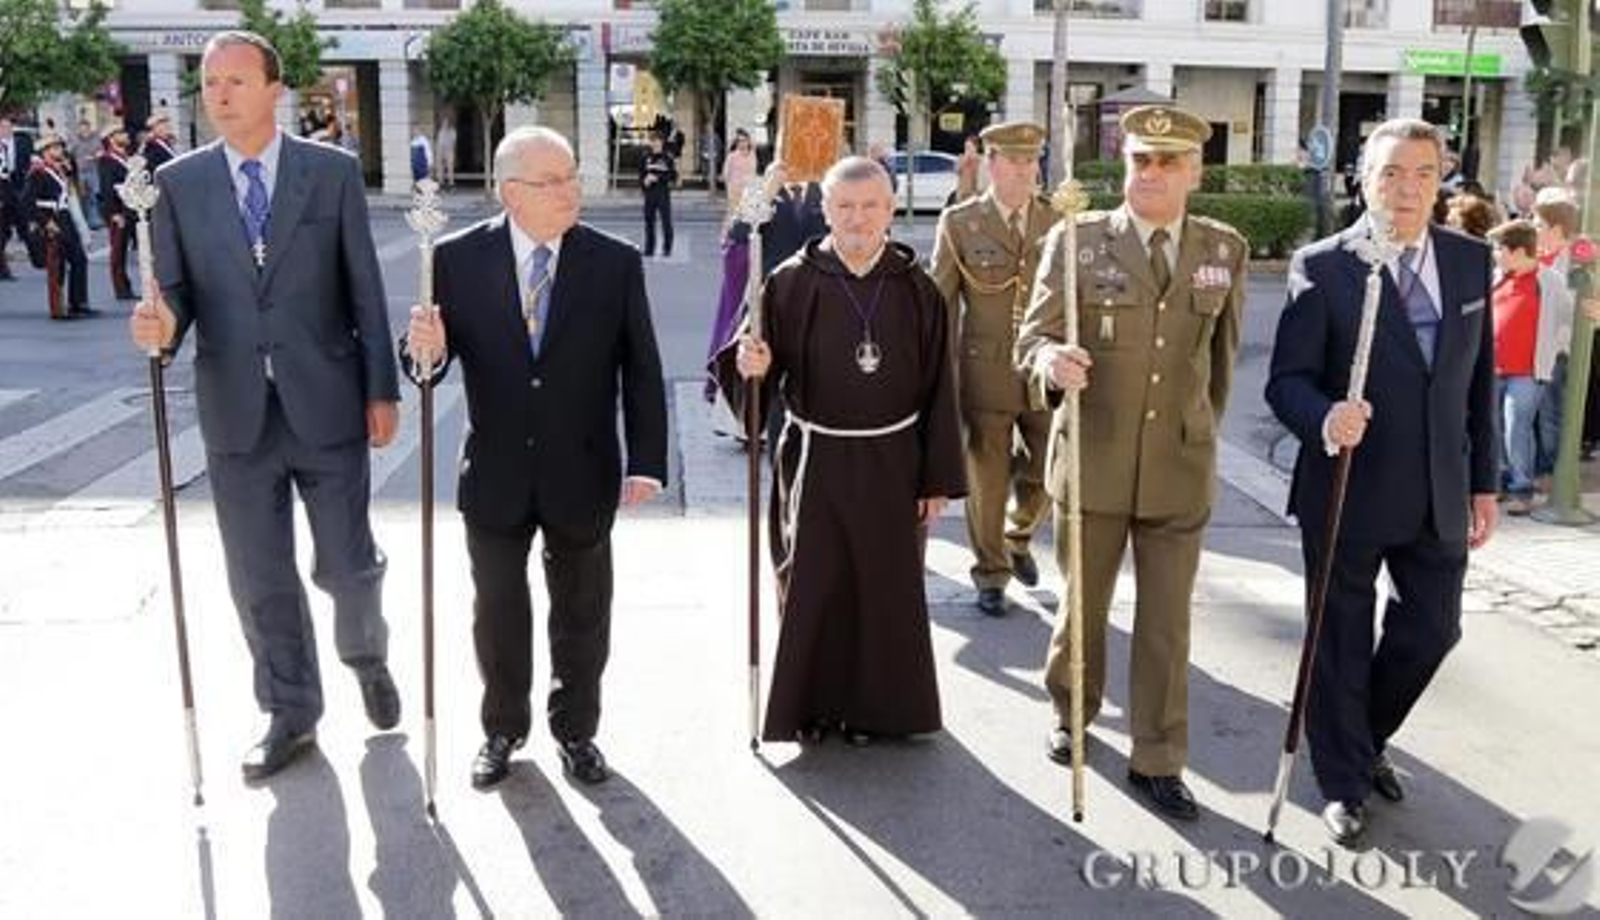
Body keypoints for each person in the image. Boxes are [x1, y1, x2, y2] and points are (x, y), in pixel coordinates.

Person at [128, 31, 402, 782]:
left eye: (235, 81)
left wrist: (383, 388)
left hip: (327, 400)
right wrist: (162, 322)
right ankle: (290, 710)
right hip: (235, 410)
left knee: (348, 565)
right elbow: (177, 291)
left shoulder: (332, 173)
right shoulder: (178, 185)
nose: (219, 94)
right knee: (258, 574)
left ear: (275, 89)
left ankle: (366, 654)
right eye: (209, 83)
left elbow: (363, 289)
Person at [403, 125, 668, 790]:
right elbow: (425, 368)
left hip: (583, 468)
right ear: (509, 191)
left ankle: (577, 730)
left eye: (573, 175)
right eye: (552, 181)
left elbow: (641, 369)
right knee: (498, 612)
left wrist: (647, 461)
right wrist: (425, 352)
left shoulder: (613, 261)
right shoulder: (457, 259)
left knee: (582, 611)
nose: (570, 191)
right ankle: (502, 729)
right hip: (494, 471)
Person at [1266, 118, 1497, 845]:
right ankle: (1341, 781)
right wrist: (1326, 416)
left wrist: (1484, 482)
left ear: (1441, 180)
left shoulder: (1468, 260)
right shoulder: (1325, 265)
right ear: (1362, 179)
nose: (1406, 188)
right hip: (1349, 487)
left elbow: (1478, 380)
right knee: (1337, 639)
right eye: (1391, 172)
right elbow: (1286, 382)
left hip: (1439, 487)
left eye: (1422, 173)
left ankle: (1360, 740)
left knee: (1434, 629)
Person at [1016, 105, 1247, 822]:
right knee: (1082, 609)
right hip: (1093, 458)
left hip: (1178, 466)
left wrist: (1195, 431)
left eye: (1167, 161)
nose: (1151, 173)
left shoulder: (1223, 249)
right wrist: (1052, 362)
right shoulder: (1077, 240)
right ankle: (1071, 712)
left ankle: (1158, 756)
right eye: (1140, 159)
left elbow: (1221, 366)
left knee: (1166, 623)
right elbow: (1032, 342)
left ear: (1195, 171)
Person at [719, 156, 966, 745]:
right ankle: (815, 708)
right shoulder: (788, 280)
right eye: (845, 207)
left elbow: (941, 388)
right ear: (825, 210)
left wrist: (936, 479)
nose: (858, 219)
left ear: (890, 209)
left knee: (886, 590)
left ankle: (881, 712)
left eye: (871, 206)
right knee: (814, 583)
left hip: (894, 464)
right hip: (816, 458)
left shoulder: (918, 289)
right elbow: (746, 363)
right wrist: (750, 364)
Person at [929, 121, 1055, 616]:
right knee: (988, 476)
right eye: (1014, 160)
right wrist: (939, 377)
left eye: (1032, 160)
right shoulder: (962, 223)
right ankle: (991, 573)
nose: (1025, 170)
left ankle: (1018, 533)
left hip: (1046, 372)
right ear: (991, 163)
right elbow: (941, 302)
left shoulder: (1058, 221)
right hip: (985, 372)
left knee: (1050, 471)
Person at [1488, 219, 1570, 515]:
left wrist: (1556, 348)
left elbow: (1570, 317)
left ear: (1518, 250)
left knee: (1515, 426)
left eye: (1499, 248)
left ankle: (1522, 489)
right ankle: (1497, 482)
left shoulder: (1549, 281)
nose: (1495, 253)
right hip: (1492, 369)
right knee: (1493, 427)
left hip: (1528, 372)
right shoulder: (1496, 276)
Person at [1532, 192, 1583, 484]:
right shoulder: (1533, 255)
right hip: (1531, 347)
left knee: (1551, 414)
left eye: (1538, 224)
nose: (1533, 228)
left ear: (1555, 229)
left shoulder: (1576, 261)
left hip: (1557, 350)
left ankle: (1551, 471)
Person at [27, 132, 91, 320]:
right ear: (45, 152)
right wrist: (45, 222)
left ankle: (78, 303)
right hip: (52, 220)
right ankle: (57, 308)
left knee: (79, 259)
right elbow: (28, 203)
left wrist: (69, 170)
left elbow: (70, 191)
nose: (60, 150)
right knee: (57, 266)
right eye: (55, 148)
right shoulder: (38, 173)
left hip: (65, 217)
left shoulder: (60, 170)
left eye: (60, 147)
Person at [96, 124, 136, 301]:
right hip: (118, 211)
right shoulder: (107, 160)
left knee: (126, 249)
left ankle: (126, 285)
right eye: (121, 133)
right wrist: (113, 213)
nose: (125, 135)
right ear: (111, 139)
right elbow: (106, 188)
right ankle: (120, 288)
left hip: (129, 208)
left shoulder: (124, 157)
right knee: (118, 251)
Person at [0, 116, 35, 282]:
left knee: (24, 222)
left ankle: (38, 257)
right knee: (4, 231)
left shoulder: (23, 141)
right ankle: (3, 270)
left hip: (19, 185)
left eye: (8, 127)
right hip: (3, 189)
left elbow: (32, 159)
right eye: (2, 127)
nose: (5, 130)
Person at [639, 131, 677, 258]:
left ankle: (667, 248)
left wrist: (658, 177)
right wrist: (644, 182)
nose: (655, 143)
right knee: (649, 221)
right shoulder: (645, 157)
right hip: (649, 193)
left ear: (662, 142)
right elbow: (641, 175)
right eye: (652, 141)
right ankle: (649, 248)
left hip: (662, 192)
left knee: (666, 221)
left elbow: (673, 176)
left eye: (657, 141)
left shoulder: (667, 157)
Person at [72, 120, 102, 230]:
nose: (84, 131)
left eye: (86, 129)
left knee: (94, 196)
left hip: (93, 170)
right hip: (81, 172)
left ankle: (95, 220)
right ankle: (86, 220)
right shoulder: (75, 140)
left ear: (89, 128)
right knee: (83, 197)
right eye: (82, 129)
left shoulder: (96, 139)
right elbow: (69, 153)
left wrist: (94, 157)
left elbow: (101, 152)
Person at [721, 129, 758, 220]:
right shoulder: (732, 156)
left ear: (748, 142)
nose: (742, 143)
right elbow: (725, 173)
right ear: (737, 143)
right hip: (734, 189)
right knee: (733, 214)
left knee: (746, 215)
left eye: (745, 140)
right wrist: (729, 186)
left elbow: (753, 172)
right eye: (740, 141)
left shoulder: (752, 155)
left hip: (748, 190)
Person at [435, 113, 458, 188]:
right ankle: (441, 182)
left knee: (450, 167)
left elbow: (453, 143)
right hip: (441, 150)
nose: (445, 123)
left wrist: (451, 151)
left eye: (446, 122)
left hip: (449, 150)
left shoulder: (452, 131)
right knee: (440, 167)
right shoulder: (440, 131)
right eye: (444, 122)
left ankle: (451, 183)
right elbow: (439, 142)